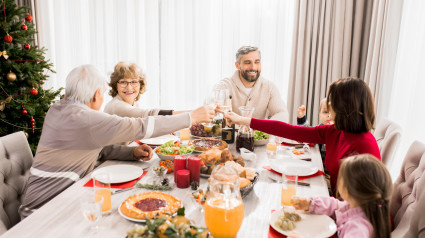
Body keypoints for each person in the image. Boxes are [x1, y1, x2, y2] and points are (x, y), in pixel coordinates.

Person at [19, 65, 214, 219]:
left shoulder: (57, 110)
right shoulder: (85, 119)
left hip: (43, 201)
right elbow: (139, 126)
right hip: (44, 212)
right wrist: (191, 117)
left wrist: (131, 153)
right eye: (102, 93)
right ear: (97, 94)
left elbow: (94, 148)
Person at [225, 77, 381, 191]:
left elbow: (366, 202)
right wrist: (243, 120)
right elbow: (289, 130)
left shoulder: (364, 145)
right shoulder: (335, 131)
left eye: (333, 101)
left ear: (346, 107)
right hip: (333, 200)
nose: (328, 105)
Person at [290, 154, 392, 238]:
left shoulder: (358, 229)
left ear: (349, 189)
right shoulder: (358, 206)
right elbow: (336, 205)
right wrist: (310, 204)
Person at [213, 46, 289, 122]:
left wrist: (262, 127)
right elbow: (211, 114)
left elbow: (283, 115)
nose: (253, 67)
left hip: (259, 133)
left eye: (257, 62)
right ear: (237, 65)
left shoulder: (269, 87)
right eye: (247, 62)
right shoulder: (223, 86)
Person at [104, 62, 189, 118]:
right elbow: (149, 115)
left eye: (133, 82)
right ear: (116, 85)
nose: (129, 87)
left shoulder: (134, 103)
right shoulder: (116, 106)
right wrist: (192, 114)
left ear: (140, 84)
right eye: (123, 82)